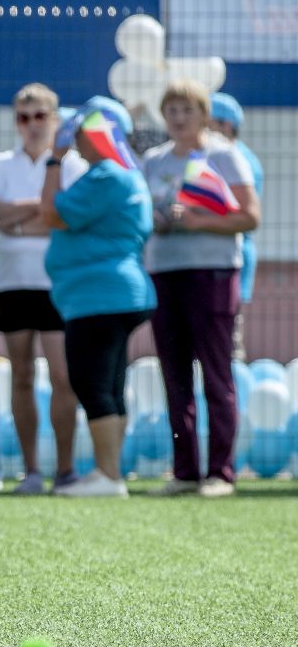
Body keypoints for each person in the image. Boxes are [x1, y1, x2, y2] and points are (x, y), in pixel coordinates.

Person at [142, 79, 260, 498]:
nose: (177, 117)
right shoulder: (153, 161)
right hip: (165, 275)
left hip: (212, 275)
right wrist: (156, 221)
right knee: (175, 376)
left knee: (216, 374)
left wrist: (199, 221)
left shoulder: (224, 156)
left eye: (186, 110)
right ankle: (185, 471)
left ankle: (220, 472)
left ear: (204, 115)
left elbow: (249, 216)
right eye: (170, 109)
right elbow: (141, 216)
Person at [41, 100, 156, 497]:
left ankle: (108, 475)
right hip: (109, 294)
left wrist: (54, 162)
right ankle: (110, 472)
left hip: (99, 296)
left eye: (81, 132)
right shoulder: (120, 174)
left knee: (91, 384)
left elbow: (52, 214)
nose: (75, 139)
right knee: (108, 384)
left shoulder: (107, 175)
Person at [0, 83, 87, 494]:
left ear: (55, 119)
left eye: (40, 116)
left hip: (58, 282)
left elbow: (63, 217)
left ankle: (65, 469)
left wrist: (21, 217)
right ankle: (31, 471)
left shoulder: (74, 164)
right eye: (23, 117)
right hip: (10, 283)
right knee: (21, 376)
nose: (31, 125)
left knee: (64, 377)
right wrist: (41, 210)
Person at [208, 91, 263, 361]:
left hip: (230, 259)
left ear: (225, 125)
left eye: (207, 121)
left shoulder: (236, 159)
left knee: (225, 339)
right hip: (215, 259)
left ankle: (229, 398)